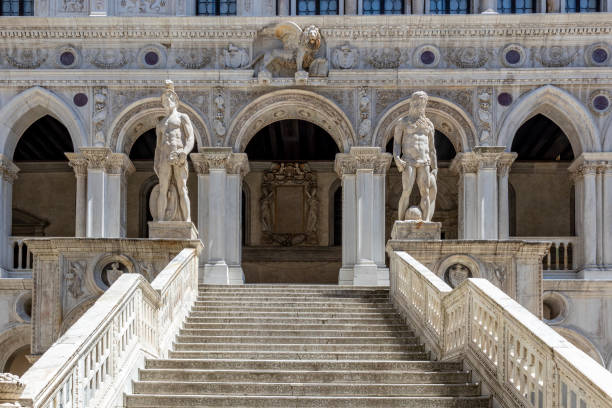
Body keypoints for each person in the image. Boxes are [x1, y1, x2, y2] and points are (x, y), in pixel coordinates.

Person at [393, 91, 437, 222]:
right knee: (406, 191)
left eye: (423, 103)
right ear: (412, 103)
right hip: (409, 161)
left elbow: (432, 148)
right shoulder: (403, 122)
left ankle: (426, 221)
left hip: (425, 161)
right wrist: (396, 158)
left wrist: (435, 168)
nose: (420, 106)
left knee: (426, 193)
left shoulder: (429, 124)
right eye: (417, 102)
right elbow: (396, 143)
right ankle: (401, 222)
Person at [154, 80, 195, 222]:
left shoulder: (183, 117)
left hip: (178, 154)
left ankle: (187, 220)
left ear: (176, 100)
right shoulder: (161, 123)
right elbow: (158, 146)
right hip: (165, 156)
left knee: (182, 188)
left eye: (170, 98)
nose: (167, 101)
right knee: (162, 188)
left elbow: (190, 138)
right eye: (165, 99)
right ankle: (160, 220)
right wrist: (156, 162)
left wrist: (184, 152)